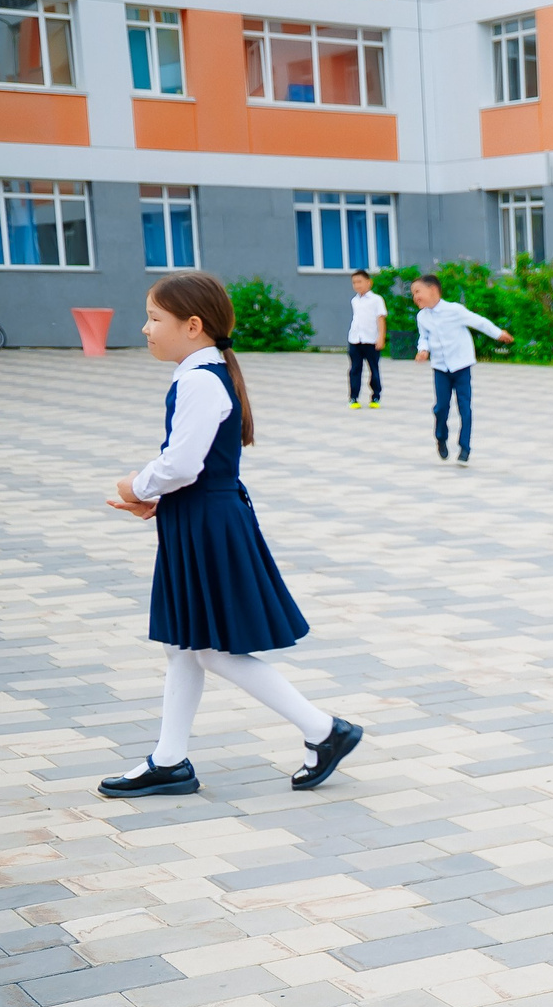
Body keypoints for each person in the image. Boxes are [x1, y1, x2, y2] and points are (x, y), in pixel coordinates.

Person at [98, 272, 364, 799]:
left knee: (209, 648)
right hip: (201, 517)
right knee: (184, 645)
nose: (145, 328)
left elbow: (182, 463)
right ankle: (170, 761)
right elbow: (192, 468)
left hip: (207, 522)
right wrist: (159, 496)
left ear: (192, 326)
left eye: (154, 318)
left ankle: (323, 729)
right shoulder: (206, 372)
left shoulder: (197, 380)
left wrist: (137, 484)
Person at [414, 276, 507, 464]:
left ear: (433, 290)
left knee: (464, 407)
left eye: (418, 292)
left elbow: (478, 322)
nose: (415, 297)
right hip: (440, 368)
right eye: (413, 294)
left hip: (461, 366)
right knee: (441, 407)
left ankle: (465, 447)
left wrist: (498, 333)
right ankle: (441, 437)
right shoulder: (422, 317)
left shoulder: (454, 310)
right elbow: (424, 337)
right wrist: (423, 350)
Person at [345, 269, 385, 407]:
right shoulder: (354, 300)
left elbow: (380, 319)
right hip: (355, 339)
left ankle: (375, 396)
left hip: (371, 340)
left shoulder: (376, 300)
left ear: (369, 282)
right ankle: (353, 397)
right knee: (355, 369)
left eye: (360, 282)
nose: (357, 285)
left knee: (373, 369)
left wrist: (381, 337)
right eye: (354, 282)